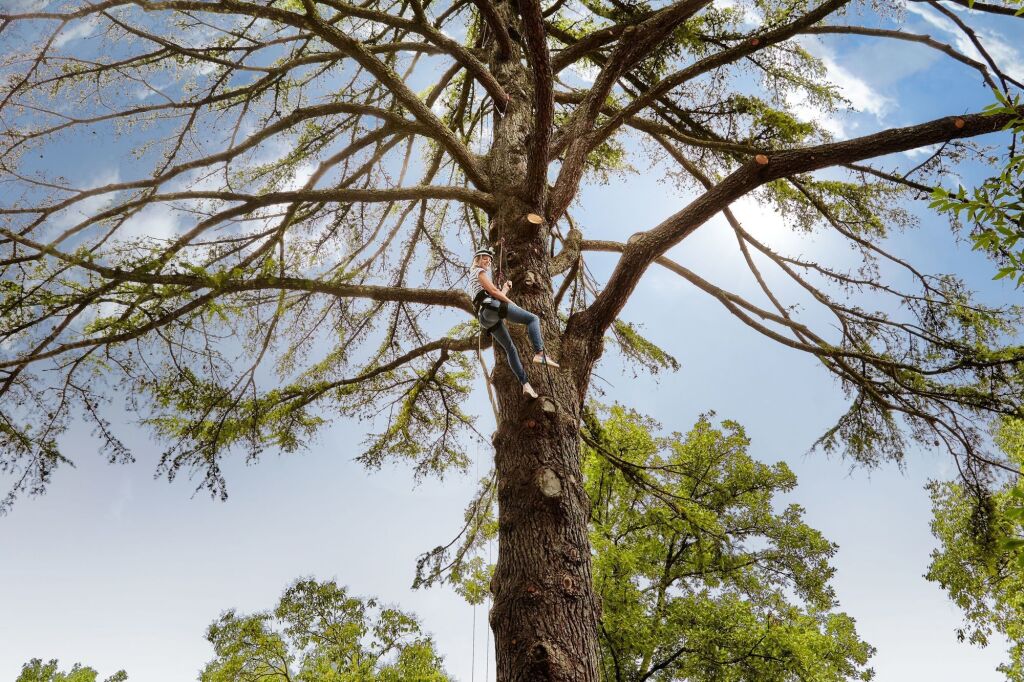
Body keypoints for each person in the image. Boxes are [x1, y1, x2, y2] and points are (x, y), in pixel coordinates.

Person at [469, 246, 558, 399]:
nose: (488, 262)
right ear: (477, 259)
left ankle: (525, 385)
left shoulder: (475, 279)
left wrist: (505, 289)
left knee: (511, 348)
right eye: (485, 258)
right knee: (532, 319)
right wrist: (512, 304)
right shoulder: (478, 271)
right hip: (491, 308)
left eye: (490, 260)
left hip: (486, 317)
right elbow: (494, 293)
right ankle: (539, 353)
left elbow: (494, 295)